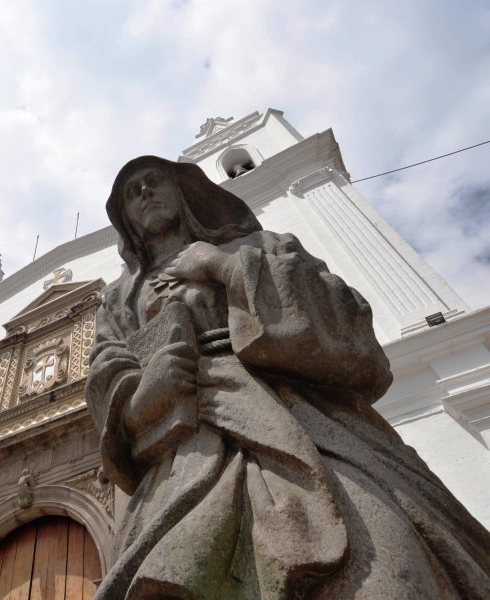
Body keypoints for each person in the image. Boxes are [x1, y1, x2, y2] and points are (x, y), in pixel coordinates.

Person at [85, 155, 490, 599]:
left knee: (388, 563)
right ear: (125, 220)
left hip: (295, 414)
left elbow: (345, 314)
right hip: (184, 455)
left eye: (153, 181)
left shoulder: (261, 245)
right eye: (130, 193)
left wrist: (225, 267)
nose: (143, 193)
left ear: (182, 191)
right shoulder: (118, 301)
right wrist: (144, 397)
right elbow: (107, 371)